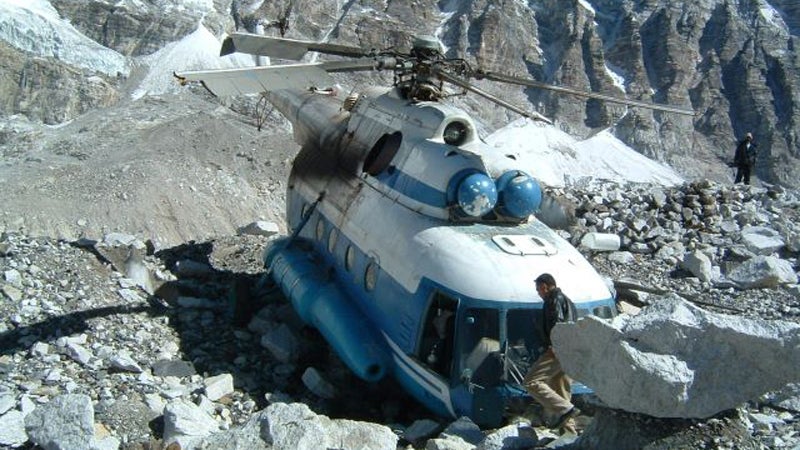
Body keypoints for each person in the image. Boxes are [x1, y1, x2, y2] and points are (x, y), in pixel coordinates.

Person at [523, 273, 580, 434]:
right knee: (561, 387)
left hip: (558, 350)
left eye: (538, 290)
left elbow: (558, 323)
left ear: (544, 287)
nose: (538, 293)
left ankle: (566, 409)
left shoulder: (553, 300)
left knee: (531, 382)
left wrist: (554, 345)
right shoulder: (567, 300)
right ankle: (570, 433)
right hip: (570, 351)